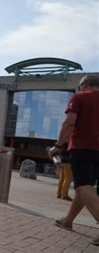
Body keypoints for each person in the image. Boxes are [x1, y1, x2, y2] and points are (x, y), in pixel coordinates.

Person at [48, 75, 99, 246]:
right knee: (84, 188)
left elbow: (69, 123)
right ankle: (68, 220)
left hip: (83, 148)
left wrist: (57, 145)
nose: (79, 89)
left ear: (85, 85)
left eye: (79, 86)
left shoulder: (80, 97)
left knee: (84, 188)